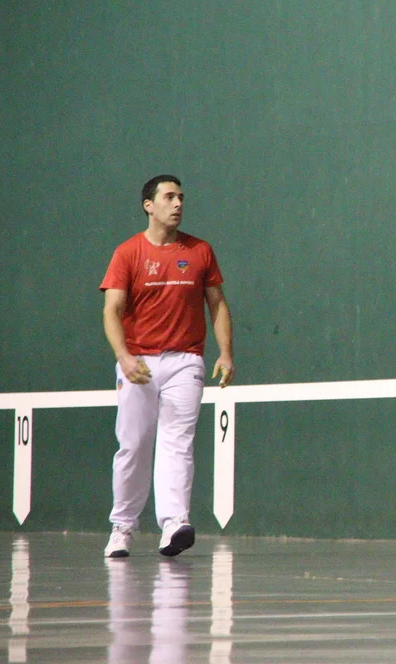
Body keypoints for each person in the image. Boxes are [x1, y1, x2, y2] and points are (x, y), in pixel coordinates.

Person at [100, 175, 234, 558]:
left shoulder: (200, 251)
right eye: (169, 197)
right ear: (149, 205)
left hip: (186, 361)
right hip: (138, 362)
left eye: (181, 197)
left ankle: (174, 523)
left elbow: (217, 304)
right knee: (134, 446)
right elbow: (111, 311)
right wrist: (124, 357)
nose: (178, 204)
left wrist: (225, 353)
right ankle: (122, 528)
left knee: (177, 443)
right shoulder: (128, 253)